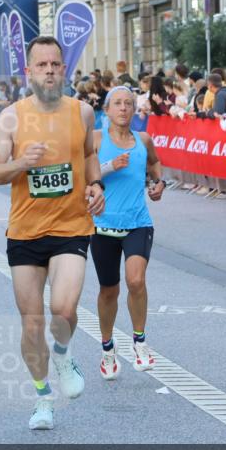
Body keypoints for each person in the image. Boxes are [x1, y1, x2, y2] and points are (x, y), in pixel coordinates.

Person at [0, 36, 105, 431]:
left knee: (64, 310)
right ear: (29, 71)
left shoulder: (82, 112)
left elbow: (88, 154)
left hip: (71, 225)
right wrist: (21, 162)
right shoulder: (11, 117)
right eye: (42, 65)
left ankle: (64, 352)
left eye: (56, 64)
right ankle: (42, 398)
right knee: (32, 322)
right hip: (25, 231)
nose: (50, 70)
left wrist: (97, 185)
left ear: (63, 69)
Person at [92, 86, 163, 378]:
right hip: (102, 225)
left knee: (136, 281)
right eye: (118, 104)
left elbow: (155, 164)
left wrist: (159, 184)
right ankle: (108, 349)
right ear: (106, 110)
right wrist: (109, 166)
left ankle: (139, 341)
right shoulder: (95, 139)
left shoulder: (144, 140)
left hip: (138, 222)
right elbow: (82, 173)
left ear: (134, 110)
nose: (123, 108)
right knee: (109, 290)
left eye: (129, 104)